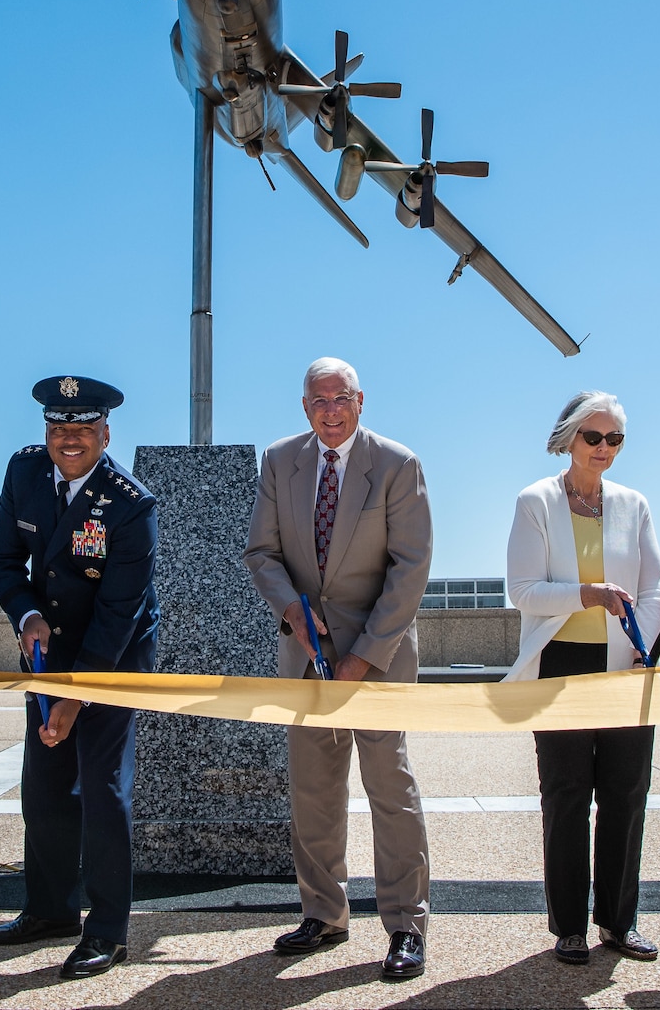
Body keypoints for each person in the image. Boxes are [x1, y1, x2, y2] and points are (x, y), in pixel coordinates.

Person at [243, 357, 433, 981]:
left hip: (377, 657)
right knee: (314, 792)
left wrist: (363, 656)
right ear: (304, 407)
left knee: (390, 791)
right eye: (318, 400)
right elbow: (262, 553)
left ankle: (405, 923)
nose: (330, 410)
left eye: (340, 398)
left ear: (360, 402)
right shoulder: (279, 460)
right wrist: (291, 613)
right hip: (306, 658)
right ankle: (323, 913)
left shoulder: (398, 465)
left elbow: (410, 572)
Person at [0, 376, 159, 980]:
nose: (69, 440)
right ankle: (50, 910)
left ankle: (108, 930)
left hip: (112, 660)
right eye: (58, 428)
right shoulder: (24, 472)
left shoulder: (131, 504)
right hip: (48, 648)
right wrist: (26, 614)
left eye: (82, 429)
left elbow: (118, 613)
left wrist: (75, 699)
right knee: (46, 782)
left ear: (105, 434)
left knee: (102, 787)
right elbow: (2, 558)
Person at [504, 391, 660, 965]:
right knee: (567, 798)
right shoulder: (536, 500)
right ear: (568, 438)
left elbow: (653, 590)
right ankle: (569, 926)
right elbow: (522, 590)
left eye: (615, 439)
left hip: (627, 669)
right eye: (593, 437)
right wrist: (587, 595)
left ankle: (619, 923)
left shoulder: (634, 503)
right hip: (560, 671)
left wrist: (638, 649)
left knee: (626, 797)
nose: (604, 448)